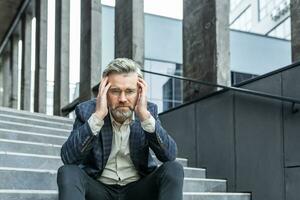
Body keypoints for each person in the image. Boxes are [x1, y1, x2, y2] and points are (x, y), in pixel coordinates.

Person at [57, 58, 184, 200]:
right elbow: (68, 158)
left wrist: (145, 118)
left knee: (174, 169)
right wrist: (98, 116)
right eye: (115, 91)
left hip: (138, 190)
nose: (122, 99)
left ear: (139, 93)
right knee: (67, 172)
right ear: (104, 92)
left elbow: (170, 156)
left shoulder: (148, 111)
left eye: (130, 91)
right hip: (99, 190)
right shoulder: (87, 111)